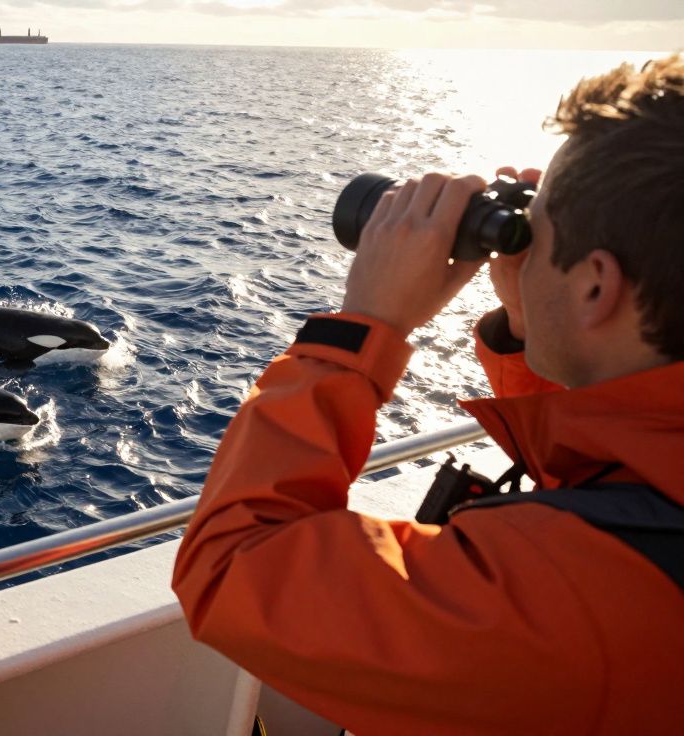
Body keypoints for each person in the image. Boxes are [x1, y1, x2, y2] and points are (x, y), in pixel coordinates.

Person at [172, 54, 684, 734]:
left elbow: (231, 564)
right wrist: (532, 330)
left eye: (540, 231)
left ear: (596, 286)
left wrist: (365, 328)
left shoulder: (576, 602)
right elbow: (625, 488)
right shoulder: (638, 525)